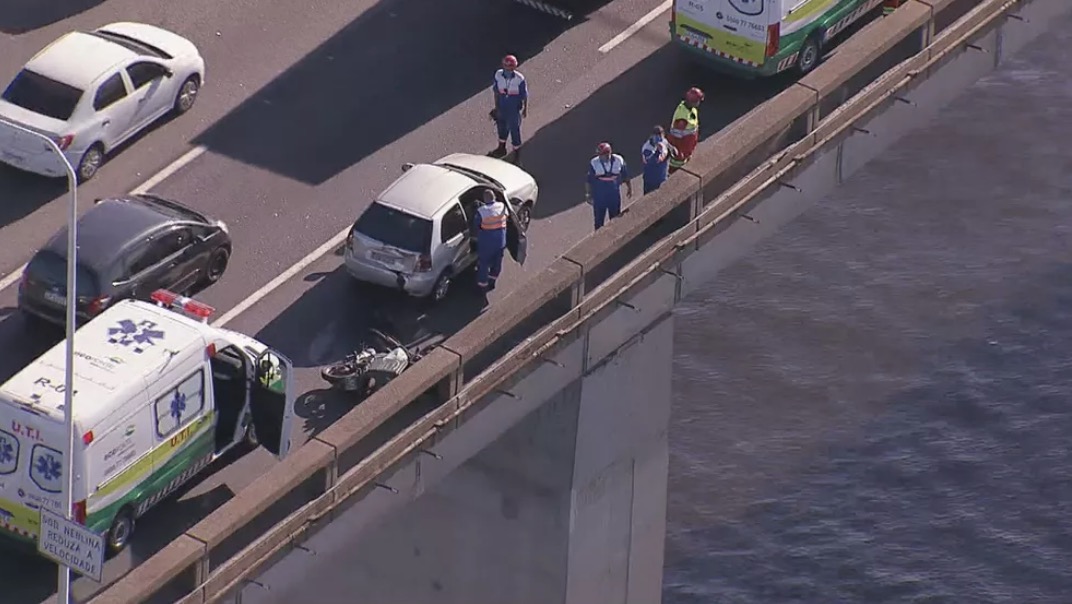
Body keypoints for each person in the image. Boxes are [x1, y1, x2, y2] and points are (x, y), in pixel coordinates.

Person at [585, 142, 632, 230]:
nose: (599, 157)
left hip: (613, 196)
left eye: (601, 155)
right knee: (598, 222)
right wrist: (588, 194)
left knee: (615, 220)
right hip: (599, 197)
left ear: (608, 154)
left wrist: (629, 188)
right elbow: (588, 180)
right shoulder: (594, 163)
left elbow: (625, 175)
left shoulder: (618, 161)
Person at [491, 55, 528, 160]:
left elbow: (524, 95)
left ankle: (517, 156)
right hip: (502, 107)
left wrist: (525, 109)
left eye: (510, 67)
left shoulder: (519, 79)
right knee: (501, 128)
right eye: (506, 67)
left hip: (513, 110)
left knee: (514, 131)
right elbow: (496, 92)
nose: (508, 69)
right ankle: (501, 149)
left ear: (514, 67)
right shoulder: (498, 75)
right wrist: (496, 107)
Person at [473, 189, 508, 292]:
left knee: (484, 264)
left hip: (487, 243)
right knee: (497, 262)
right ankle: (492, 281)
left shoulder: (482, 211)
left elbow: (476, 224)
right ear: (494, 198)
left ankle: (482, 287)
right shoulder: (502, 206)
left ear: (484, 199)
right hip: (501, 241)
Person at [667, 87, 704, 174]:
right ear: (693, 101)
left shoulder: (692, 109)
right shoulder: (682, 118)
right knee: (674, 174)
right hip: (680, 153)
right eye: (698, 101)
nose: (699, 103)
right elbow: (675, 137)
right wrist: (679, 153)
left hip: (687, 148)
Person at [641, 126, 672, 194]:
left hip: (662, 179)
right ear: (652, 136)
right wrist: (659, 151)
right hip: (651, 183)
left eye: (660, 135)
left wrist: (672, 149)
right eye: (656, 135)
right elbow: (656, 160)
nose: (659, 138)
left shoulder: (664, 141)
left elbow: (671, 149)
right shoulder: (647, 148)